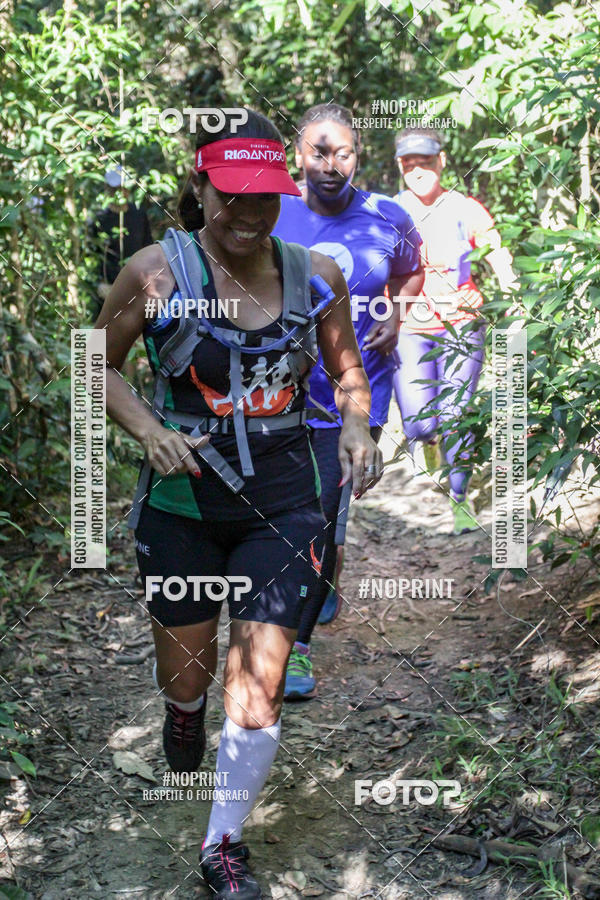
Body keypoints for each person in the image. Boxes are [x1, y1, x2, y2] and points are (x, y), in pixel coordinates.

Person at [95, 108, 383, 900]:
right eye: (234, 198)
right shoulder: (155, 271)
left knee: (255, 684)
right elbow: (97, 363)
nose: (251, 216)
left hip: (286, 504)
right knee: (186, 676)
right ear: (201, 187)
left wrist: (356, 429)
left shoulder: (315, 275)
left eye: (266, 199)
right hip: (182, 507)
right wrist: (149, 427)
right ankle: (182, 711)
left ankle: (221, 842)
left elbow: (348, 376)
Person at [273, 103, 424, 700]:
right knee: (292, 520)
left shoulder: (388, 215)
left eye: (345, 153)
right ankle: (301, 587)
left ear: (359, 156)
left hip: (355, 397)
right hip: (274, 397)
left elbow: (411, 270)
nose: (332, 165)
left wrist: (399, 313)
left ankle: (300, 647)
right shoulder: (271, 213)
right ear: (298, 155)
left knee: (324, 519)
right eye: (319, 152)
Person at [392, 127, 517, 535]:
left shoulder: (465, 208)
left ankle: (459, 500)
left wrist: (513, 294)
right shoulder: (389, 210)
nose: (418, 170)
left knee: (456, 414)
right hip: (409, 327)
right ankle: (427, 447)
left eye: (426, 162)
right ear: (400, 167)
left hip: (462, 323)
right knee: (420, 423)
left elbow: (495, 250)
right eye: (410, 164)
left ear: (441, 162)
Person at [88, 166, 153, 318]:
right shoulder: (99, 219)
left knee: (132, 333)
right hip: (106, 291)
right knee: (96, 333)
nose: (120, 192)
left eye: (123, 187)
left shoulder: (138, 214)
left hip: (135, 289)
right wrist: (98, 283)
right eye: (115, 188)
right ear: (107, 189)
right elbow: (90, 258)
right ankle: (87, 342)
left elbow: (148, 248)